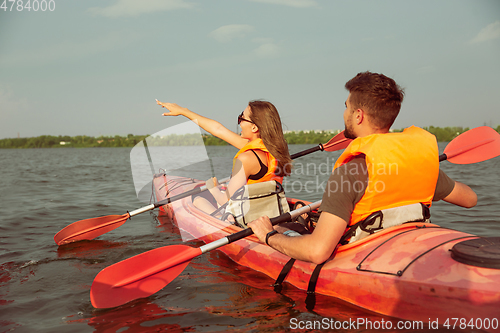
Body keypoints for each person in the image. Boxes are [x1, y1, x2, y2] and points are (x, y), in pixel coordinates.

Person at [247, 71, 477, 264]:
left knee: (282, 228)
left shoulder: (349, 172)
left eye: (346, 107)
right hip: (408, 247)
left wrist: (268, 236)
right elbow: (469, 199)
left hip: (366, 256)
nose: (344, 113)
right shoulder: (420, 164)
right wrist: (428, 171)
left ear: (358, 115)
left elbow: (317, 252)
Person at [156, 99, 292, 213]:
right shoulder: (278, 151)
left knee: (197, 199)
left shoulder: (246, 158)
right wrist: (184, 111)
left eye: (241, 118)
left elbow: (226, 202)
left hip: (248, 220)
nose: (239, 123)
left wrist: (212, 188)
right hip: (272, 212)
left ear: (254, 127)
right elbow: (218, 130)